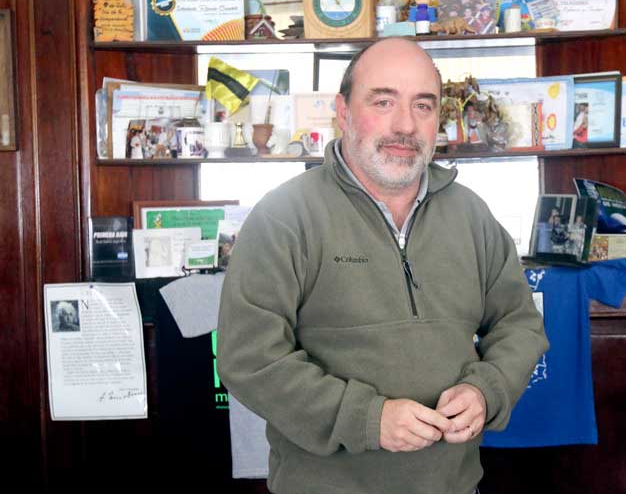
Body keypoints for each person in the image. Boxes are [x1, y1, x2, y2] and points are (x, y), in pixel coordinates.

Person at [217, 37, 548, 494]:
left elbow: (520, 325)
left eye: (423, 106)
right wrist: (366, 419)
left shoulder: (472, 215)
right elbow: (249, 358)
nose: (405, 125)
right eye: (383, 101)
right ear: (343, 112)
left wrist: (487, 390)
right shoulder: (284, 217)